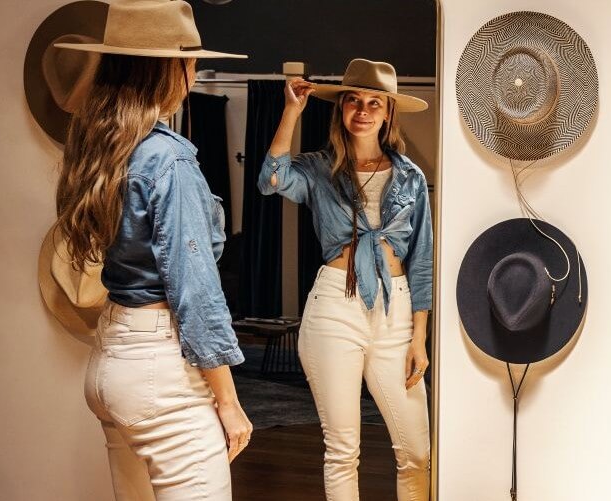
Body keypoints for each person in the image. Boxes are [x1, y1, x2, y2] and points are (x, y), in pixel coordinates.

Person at [53, 1, 251, 499]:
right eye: (192, 61)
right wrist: (227, 400)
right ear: (170, 69)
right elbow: (196, 290)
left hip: (111, 359)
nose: (195, 72)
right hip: (159, 371)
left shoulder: (101, 144)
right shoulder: (168, 157)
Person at [259, 59, 434, 501]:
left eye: (375, 102)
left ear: (388, 113)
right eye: (353, 100)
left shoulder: (411, 177)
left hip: (395, 311)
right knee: (342, 450)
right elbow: (271, 179)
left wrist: (419, 338)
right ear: (340, 109)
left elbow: (422, 262)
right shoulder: (318, 169)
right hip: (336, 306)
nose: (363, 110)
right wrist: (292, 112)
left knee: (417, 452)